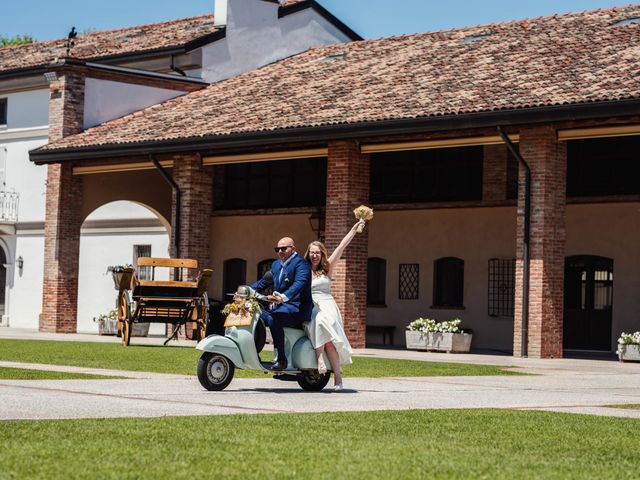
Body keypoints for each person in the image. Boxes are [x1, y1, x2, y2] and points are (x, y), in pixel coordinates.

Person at [304, 219, 365, 391]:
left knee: (330, 340)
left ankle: (338, 377)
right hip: (312, 305)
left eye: (317, 252)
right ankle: (320, 360)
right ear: (308, 254)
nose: (314, 255)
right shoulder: (303, 270)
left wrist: (354, 228)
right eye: (312, 252)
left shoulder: (327, 268)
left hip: (328, 305)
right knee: (318, 321)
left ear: (322, 254)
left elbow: (341, 246)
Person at [251, 236, 312, 371]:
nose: (280, 251)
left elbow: (299, 284)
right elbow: (264, 282)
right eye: (277, 249)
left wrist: (283, 297)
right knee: (257, 312)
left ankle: (282, 359)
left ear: (293, 248)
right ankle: (253, 352)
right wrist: (246, 291)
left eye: (283, 248)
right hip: (282, 307)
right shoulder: (276, 265)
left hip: (298, 308)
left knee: (274, 318)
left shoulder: (301, 264)